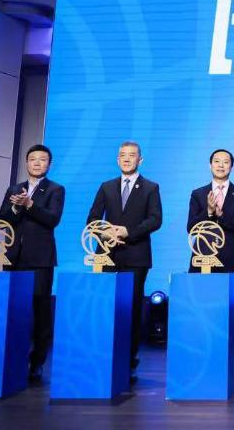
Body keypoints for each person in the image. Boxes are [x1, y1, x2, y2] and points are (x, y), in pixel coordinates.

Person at [86, 141, 162, 379]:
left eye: (132, 155)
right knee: (105, 307)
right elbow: (93, 219)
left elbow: (155, 220)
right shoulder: (106, 186)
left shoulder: (150, 187)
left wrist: (128, 232)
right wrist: (106, 234)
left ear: (140, 160)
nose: (127, 159)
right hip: (107, 255)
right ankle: (102, 357)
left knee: (131, 308)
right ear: (117, 159)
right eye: (122, 155)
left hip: (136, 256)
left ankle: (129, 360)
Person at [0, 144, 64, 382]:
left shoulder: (55, 189)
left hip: (40, 259)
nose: (37, 163)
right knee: (14, 310)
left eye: (42, 159)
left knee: (40, 311)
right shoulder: (14, 189)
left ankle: (37, 362)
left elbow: (52, 219)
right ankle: (13, 359)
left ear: (49, 164)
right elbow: (1, 220)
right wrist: (16, 207)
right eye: (33, 159)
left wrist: (30, 206)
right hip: (13, 257)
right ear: (26, 163)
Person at [187, 149, 234, 275]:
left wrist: (221, 215)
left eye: (225, 162)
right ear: (210, 165)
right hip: (203, 257)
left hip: (230, 259)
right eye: (216, 161)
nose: (221, 165)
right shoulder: (198, 194)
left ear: (231, 167)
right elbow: (191, 228)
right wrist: (208, 212)